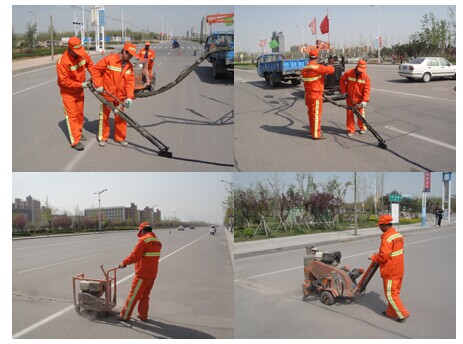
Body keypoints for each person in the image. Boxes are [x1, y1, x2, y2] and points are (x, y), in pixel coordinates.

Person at [56, 37, 98, 151]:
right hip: (68, 92)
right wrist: (81, 85)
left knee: (79, 114)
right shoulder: (63, 62)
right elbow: (64, 82)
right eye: (76, 51)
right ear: (69, 49)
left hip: (79, 90)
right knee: (72, 115)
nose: (79, 54)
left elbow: (91, 66)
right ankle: (75, 141)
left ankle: (78, 133)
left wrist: (97, 81)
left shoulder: (82, 54)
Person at [92, 42, 137, 147]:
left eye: (132, 55)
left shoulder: (129, 66)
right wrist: (98, 84)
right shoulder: (110, 59)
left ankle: (120, 138)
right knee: (104, 117)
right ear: (124, 51)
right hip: (107, 95)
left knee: (121, 117)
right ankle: (103, 137)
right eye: (129, 54)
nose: (130, 57)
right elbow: (96, 70)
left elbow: (130, 83)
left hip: (120, 97)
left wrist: (129, 97)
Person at [116, 222, 162, 322]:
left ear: (142, 230)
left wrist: (123, 263)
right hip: (152, 274)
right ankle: (143, 316)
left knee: (133, 296)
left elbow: (135, 256)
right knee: (145, 296)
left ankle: (124, 316)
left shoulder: (144, 240)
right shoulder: (157, 241)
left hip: (142, 275)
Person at [369, 214, 410, 323]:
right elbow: (399, 251)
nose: (379, 228)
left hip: (390, 271)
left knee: (390, 294)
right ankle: (390, 313)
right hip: (399, 269)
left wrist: (373, 257)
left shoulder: (387, 238)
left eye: (380, 226)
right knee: (394, 292)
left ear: (386, 225)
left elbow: (383, 256)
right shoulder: (398, 235)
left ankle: (403, 314)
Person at [301, 49, 335, 140]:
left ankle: (313, 130)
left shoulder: (304, 69)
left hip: (308, 94)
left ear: (309, 57)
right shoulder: (318, 68)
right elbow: (331, 70)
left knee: (311, 114)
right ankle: (316, 134)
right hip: (316, 95)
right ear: (317, 57)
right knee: (316, 115)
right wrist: (329, 64)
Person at [339, 59, 371, 137]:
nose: (361, 72)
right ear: (357, 67)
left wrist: (365, 100)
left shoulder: (365, 77)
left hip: (359, 99)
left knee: (360, 114)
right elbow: (342, 80)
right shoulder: (349, 73)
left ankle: (362, 127)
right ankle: (350, 129)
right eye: (360, 70)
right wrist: (344, 91)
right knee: (350, 114)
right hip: (350, 97)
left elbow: (367, 89)